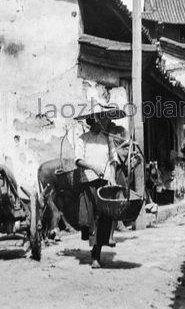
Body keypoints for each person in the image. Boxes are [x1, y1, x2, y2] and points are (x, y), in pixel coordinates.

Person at [74, 104, 126, 269]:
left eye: (107, 118)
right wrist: (93, 168)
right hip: (89, 181)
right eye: (103, 118)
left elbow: (113, 159)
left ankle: (98, 251)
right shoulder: (83, 139)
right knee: (93, 217)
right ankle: (95, 255)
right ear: (95, 119)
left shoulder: (107, 138)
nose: (106, 121)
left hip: (105, 183)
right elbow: (78, 160)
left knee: (104, 217)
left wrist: (111, 176)